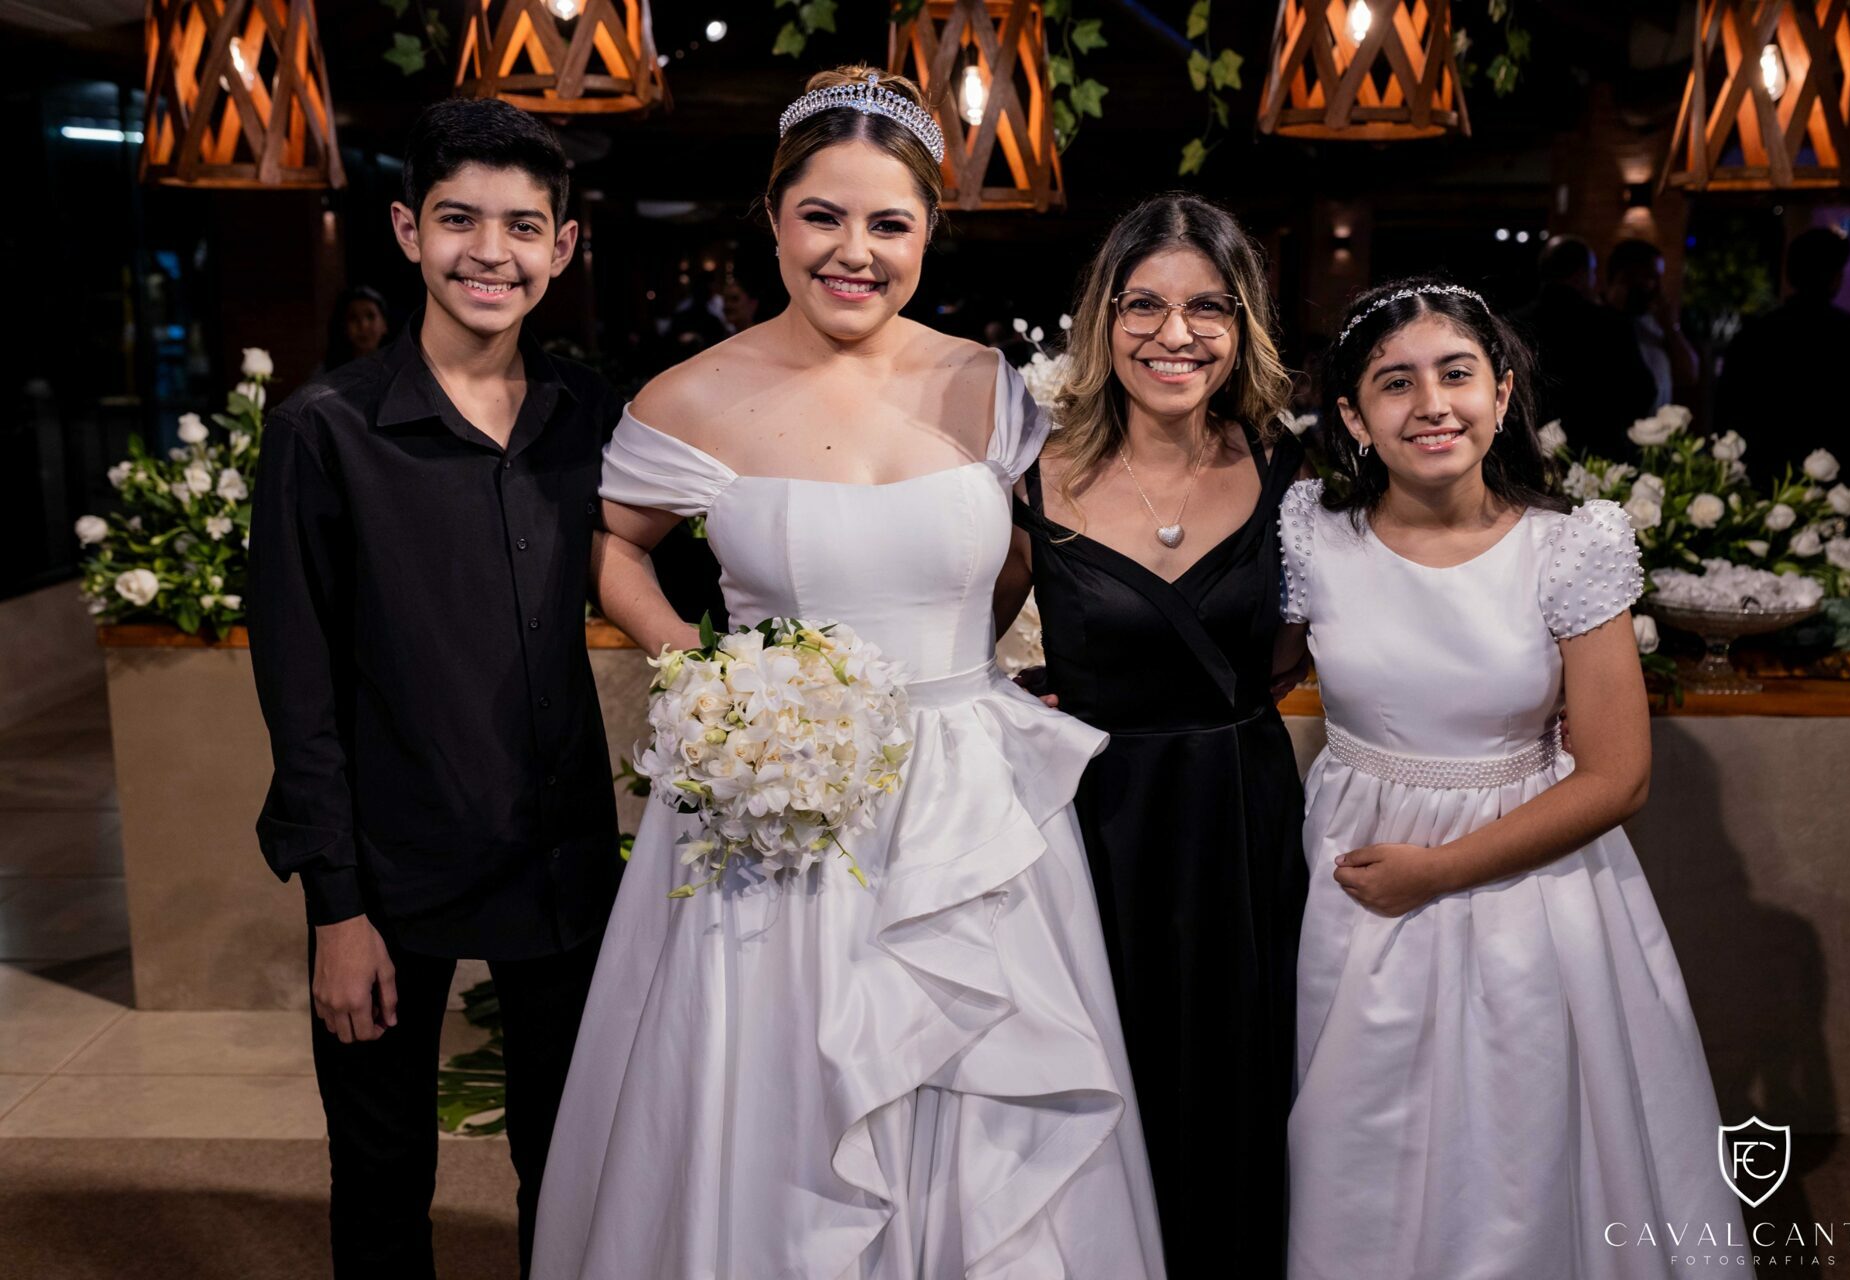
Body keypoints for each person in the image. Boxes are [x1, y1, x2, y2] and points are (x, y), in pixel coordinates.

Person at [533, 67, 1165, 1279]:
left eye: (889, 223)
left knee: (982, 1094)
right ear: (774, 218)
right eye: (822, 216)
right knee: (782, 1094)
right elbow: (612, 545)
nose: (854, 252)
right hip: (778, 808)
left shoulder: (986, 386)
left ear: (928, 232)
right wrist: (708, 678)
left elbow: (1020, 553)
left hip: (966, 806)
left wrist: (966, 678)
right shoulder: (690, 396)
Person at [1280, 278, 1750, 1278]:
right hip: (1355, 871)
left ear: (1499, 394)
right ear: (1355, 418)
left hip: (1527, 878)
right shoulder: (1316, 536)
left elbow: (1618, 776)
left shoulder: (1569, 547)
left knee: (1515, 1134)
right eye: (1395, 383)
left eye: (1456, 374)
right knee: (1362, 1126)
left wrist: (1439, 870)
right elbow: (1243, 676)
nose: (1432, 404)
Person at [249, 98, 623, 1279]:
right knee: (380, 1175)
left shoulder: (591, 418)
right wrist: (336, 908)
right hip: (388, 868)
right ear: (410, 229)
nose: (490, 252)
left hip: (561, 857)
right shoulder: (323, 431)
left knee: (572, 1169)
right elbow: (298, 691)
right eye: (460, 219)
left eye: (523, 226)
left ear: (562, 245)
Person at [1002, 193, 1307, 1276]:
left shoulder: (1290, 473)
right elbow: (956, 648)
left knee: (1244, 1081)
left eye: (1207, 307)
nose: (1175, 334)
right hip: (1097, 830)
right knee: (1111, 1076)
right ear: (1104, 318)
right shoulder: (1031, 480)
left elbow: (1321, 642)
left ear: (1243, 323)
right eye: (1144, 305)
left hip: (1241, 823)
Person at [1717, 227, 1850, 488]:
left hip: (1761, 478)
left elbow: (1728, 412)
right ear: (1836, 278)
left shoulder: (1755, 335)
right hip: (1833, 484)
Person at [1511, 234, 1649, 452]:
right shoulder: (1611, 324)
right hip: (1597, 452)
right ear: (1580, 274)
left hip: (1527, 450)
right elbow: (1642, 391)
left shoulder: (1511, 324)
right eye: (1593, 273)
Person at [1604, 237, 1699, 416]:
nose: (1658, 288)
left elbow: (1689, 375)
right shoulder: (1597, 319)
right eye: (1650, 277)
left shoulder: (1658, 322)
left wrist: (1671, 328)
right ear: (1624, 277)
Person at [322, 285, 393, 371]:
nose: (363, 325)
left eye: (370, 316)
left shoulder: (398, 369)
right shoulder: (328, 374)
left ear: (384, 325)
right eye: (353, 317)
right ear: (344, 327)